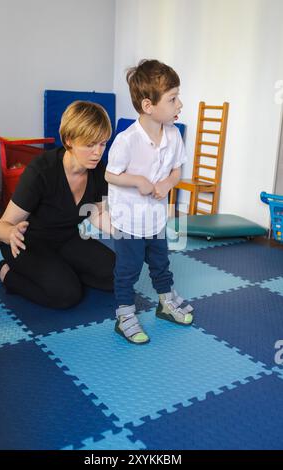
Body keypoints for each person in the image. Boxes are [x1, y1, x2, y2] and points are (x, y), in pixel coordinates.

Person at [105, 59, 194, 345]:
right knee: (127, 270)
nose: (179, 104)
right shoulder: (126, 140)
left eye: (178, 96)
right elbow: (110, 174)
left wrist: (168, 183)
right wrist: (137, 181)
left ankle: (166, 303)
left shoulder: (173, 135)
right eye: (172, 98)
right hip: (129, 220)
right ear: (148, 106)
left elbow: (177, 170)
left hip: (155, 219)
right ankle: (125, 315)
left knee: (161, 263)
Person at [0, 101, 115, 309]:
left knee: (118, 275)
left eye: (103, 143)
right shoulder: (41, 171)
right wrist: (11, 232)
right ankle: (6, 272)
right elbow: (2, 226)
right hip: (26, 244)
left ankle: (62, 271)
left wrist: (126, 232)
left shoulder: (97, 170)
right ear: (69, 140)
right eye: (90, 144)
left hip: (66, 239)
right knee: (67, 295)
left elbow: (97, 213)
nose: (98, 152)